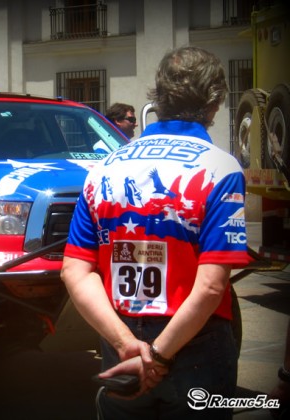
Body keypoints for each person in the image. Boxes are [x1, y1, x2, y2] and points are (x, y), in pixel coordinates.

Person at [61, 46, 251, 419]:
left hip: (120, 339)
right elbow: (212, 286)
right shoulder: (221, 169)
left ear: (159, 98)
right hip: (196, 345)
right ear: (213, 105)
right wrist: (158, 356)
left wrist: (128, 346)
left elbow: (74, 271)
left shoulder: (102, 169)